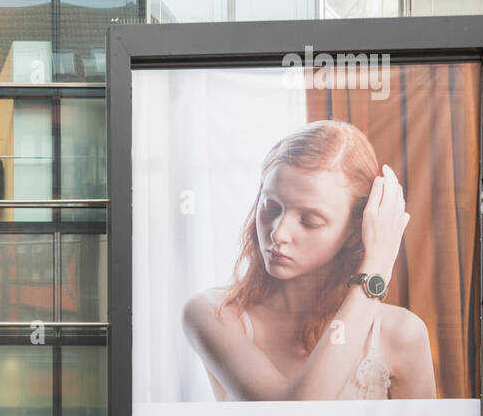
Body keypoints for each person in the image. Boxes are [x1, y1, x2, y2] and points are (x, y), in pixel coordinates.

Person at [181, 120, 436, 400]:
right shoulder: (212, 314)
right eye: (271, 207)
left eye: (310, 220)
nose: (279, 233)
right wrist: (378, 268)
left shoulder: (402, 334)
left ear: (355, 232)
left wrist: (378, 261)